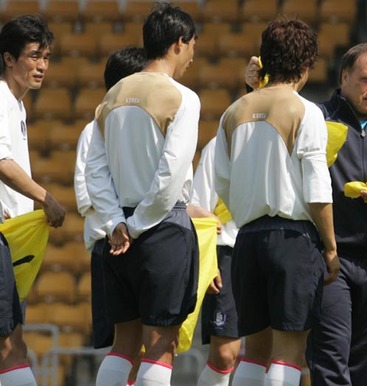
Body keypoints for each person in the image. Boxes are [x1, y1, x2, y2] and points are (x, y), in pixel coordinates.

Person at [246, 42, 367, 385]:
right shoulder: (315, 117)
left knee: (362, 371)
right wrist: (253, 89)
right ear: (344, 76)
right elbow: (268, 127)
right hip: (329, 260)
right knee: (330, 365)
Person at [214, 16, 339, 386]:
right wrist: (330, 248)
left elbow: (222, 180)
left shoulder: (232, 112)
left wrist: (249, 209)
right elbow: (318, 189)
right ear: (306, 66)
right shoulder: (306, 111)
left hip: (248, 239)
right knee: (288, 353)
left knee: (254, 350)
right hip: (292, 240)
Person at [84, 3, 200, 386]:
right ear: (179, 42)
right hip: (160, 228)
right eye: (193, 45)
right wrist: (133, 226)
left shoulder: (114, 93)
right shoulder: (183, 97)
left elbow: (95, 170)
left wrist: (116, 221)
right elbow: (170, 175)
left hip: (116, 233)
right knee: (160, 345)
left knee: (123, 345)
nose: (193, 56)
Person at [74, 46, 147, 385]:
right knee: (126, 346)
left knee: (141, 345)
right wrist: (119, 224)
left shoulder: (134, 127)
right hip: (112, 244)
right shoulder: (95, 129)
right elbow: (86, 192)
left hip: (134, 239)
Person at [0, 15, 66, 386]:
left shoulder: (17, 106)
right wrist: (46, 198)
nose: (42, 65)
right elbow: (0, 161)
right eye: (34, 56)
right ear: (9, 58)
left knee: (12, 344)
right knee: (11, 347)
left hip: (11, 239)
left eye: (47, 57)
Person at [189, 137, 241, 386]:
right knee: (224, 354)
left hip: (273, 247)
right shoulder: (222, 144)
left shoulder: (289, 139)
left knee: (270, 350)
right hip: (227, 252)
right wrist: (208, 262)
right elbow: (197, 206)